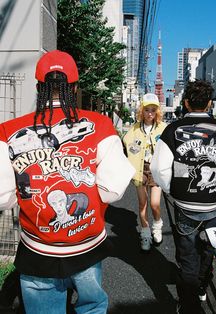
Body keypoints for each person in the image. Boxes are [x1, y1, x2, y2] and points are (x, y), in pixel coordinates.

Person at [0, 50, 135, 314]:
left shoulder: (8, 130)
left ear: (39, 87)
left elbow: (3, 196)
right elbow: (112, 191)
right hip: (86, 244)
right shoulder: (101, 124)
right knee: (92, 307)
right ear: (73, 87)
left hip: (37, 248)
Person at [150, 80, 216, 314]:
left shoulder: (172, 131)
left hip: (185, 204)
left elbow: (158, 169)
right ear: (210, 103)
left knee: (187, 255)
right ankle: (201, 288)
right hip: (214, 204)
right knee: (207, 251)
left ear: (186, 102)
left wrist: (172, 189)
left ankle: (188, 304)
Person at [123, 93, 166, 251]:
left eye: (153, 110)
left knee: (154, 204)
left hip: (156, 169)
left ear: (157, 112)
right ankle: (146, 234)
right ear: (142, 111)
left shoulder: (163, 128)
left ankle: (157, 225)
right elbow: (126, 144)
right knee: (142, 204)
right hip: (140, 169)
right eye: (147, 109)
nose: (150, 113)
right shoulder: (134, 128)